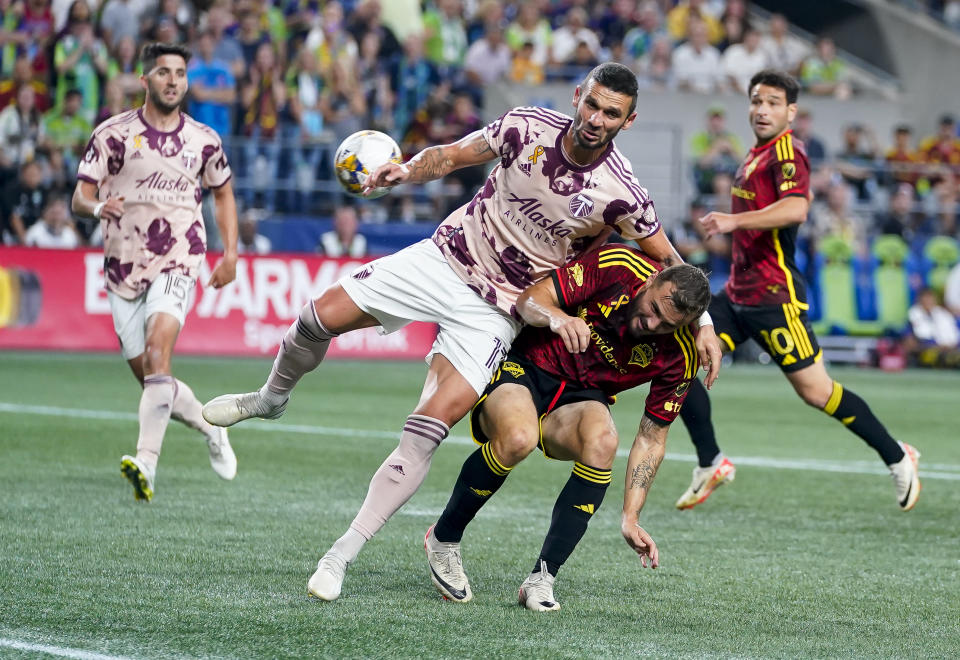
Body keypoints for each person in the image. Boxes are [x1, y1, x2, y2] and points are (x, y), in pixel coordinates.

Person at [200, 62, 722, 600]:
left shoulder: (623, 193)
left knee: (432, 423)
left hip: (499, 312)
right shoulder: (526, 127)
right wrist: (406, 171)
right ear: (577, 96)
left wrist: (702, 321)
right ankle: (270, 397)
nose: (596, 118)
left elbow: (670, 263)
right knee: (316, 318)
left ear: (627, 122)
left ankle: (339, 557)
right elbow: (450, 155)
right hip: (445, 258)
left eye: (611, 113)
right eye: (591, 104)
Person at [674, 69, 921, 512]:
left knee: (816, 391)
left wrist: (733, 221)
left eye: (772, 102)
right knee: (677, 361)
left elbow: (796, 207)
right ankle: (710, 460)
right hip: (738, 293)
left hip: (774, 297)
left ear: (791, 111)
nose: (761, 109)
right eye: (755, 101)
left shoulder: (788, 152)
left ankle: (897, 456)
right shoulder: (753, 154)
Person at [425, 248, 711, 610]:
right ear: (652, 280)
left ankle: (542, 579)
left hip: (581, 397)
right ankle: (444, 538)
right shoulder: (619, 267)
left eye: (667, 324)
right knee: (518, 438)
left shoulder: (681, 353)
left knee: (604, 440)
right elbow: (531, 300)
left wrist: (631, 516)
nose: (652, 325)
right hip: (526, 366)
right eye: (653, 309)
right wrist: (557, 318)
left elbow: (652, 438)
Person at [71, 42, 240, 502]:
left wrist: (230, 253)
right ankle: (211, 427)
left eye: (180, 73)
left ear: (186, 81)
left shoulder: (205, 139)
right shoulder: (112, 134)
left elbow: (223, 194)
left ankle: (146, 461)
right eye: (163, 72)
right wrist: (98, 205)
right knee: (152, 378)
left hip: (180, 257)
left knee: (157, 352)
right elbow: (79, 197)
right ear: (145, 80)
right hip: (122, 264)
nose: (173, 80)